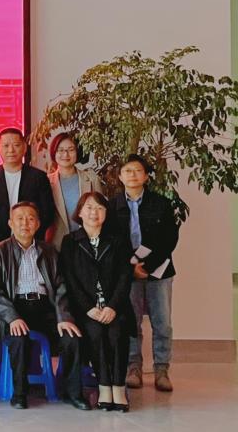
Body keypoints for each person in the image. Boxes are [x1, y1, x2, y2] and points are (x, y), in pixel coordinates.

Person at [0, 201, 88, 410]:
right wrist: (12, 317)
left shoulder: (50, 251)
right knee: (18, 337)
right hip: (14, 308)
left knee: (72, 337)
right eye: (19, 219)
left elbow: (61, 287)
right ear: (10, 223)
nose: (25, 223)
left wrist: (63, 317)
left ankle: (72, 393)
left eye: (30, 218)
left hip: (46, 308)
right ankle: (19, 393)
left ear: (38, 224)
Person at [110, 154, 181, 392]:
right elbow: (112, 242)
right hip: (127, 273)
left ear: (146, 176)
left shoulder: (161, 203)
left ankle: (161, 370)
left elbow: (169, 239)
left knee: (162, 322)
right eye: (128, 171)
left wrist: (146, 267)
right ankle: (134, 368)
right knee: (132, 323)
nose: (133, 175)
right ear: (120, 176)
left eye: (138, 171)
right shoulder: (112, 206)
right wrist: (130, 268)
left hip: (159, 271)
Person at [60, 192, 136, 412]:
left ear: (106, 213)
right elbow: (70, 280)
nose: (94, 212)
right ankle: (104, 386)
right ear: (80, 212)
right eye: (89, 207)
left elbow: (125, 276)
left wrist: (112, 306)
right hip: (86, 310)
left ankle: (118, 387)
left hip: (115, 307)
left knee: (117, 332)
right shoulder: (70, 242)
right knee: (95, 333)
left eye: (100, 208)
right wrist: (88, 308)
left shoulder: (118, 240)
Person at [0, 128, 56, 246]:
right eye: (6, 146)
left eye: (16, 145)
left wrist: (31, 236)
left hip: (31, 242)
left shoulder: (39, 177)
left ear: (24, 148)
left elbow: (47, 213)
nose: (11, 150)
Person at [46, 133, 103, 250]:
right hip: (57, 245)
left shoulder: (91, 179)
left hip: (88, 244)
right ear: (54, 152)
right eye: (60, 150)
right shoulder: (46, 182)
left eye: (71, 150)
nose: (65, 154)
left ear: (78, 152)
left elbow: (101, 212)